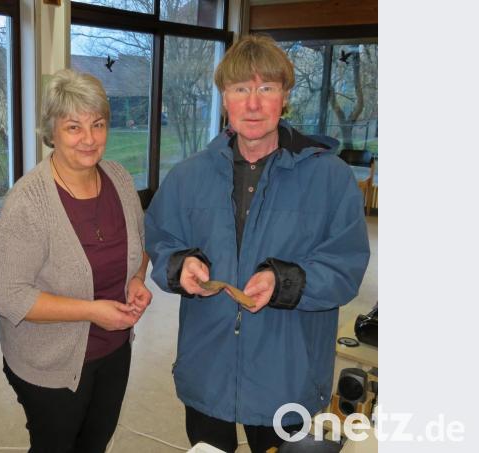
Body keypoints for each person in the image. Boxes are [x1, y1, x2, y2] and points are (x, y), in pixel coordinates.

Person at [145, 34, 370, 453]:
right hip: (208, 367)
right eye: (240, 89)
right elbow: (160, 241)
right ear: (224, 98)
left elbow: (345, 267)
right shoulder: (188, 176)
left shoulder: (331, 178)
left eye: (266, 88)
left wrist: (284, 282)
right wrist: (179, 265)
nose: (253, 104)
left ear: (285, 97)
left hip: (287, 373)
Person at [0, 69, 152, 453]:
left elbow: (139, 250)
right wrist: (92, 311)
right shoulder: (28, 202)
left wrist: (137, 280)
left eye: (98, 124)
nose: (89, 138)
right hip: (49, 363)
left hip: (115, 348)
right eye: (74, 127)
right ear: (52, 132)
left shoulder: (119, 179)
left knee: (95, 443)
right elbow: (7, 295)